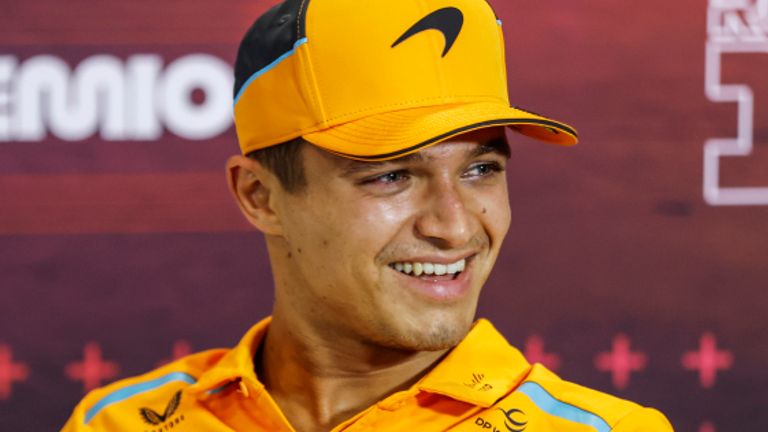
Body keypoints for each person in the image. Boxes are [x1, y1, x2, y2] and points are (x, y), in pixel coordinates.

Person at [63, 0, 673, 430]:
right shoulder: (119, 423)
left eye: (481, 169)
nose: (456, 227)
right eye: (391, 176)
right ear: (260, 197)